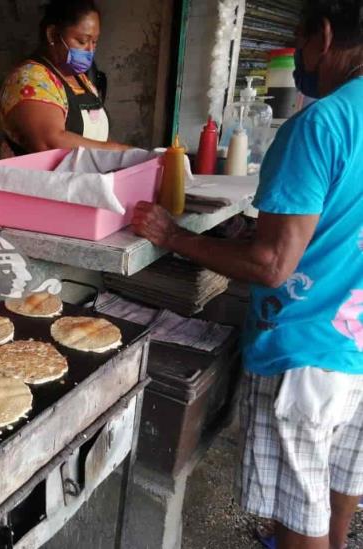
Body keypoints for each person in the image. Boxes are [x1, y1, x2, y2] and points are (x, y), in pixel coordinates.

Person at [132, 2, 363, 547]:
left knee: (297, 513)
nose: (301, 60)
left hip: (306, 352)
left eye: (299, 43)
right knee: (339, 476)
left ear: (323, 36)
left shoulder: (321, 124)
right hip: (357, 341)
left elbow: (272, 266)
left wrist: (172, 236)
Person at [0, 0, 129, 157]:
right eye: (82, 41)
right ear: (52, 34)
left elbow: (96, 140)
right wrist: (116, 151)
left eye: (94, 42)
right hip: (41, 180)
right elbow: (49, 143)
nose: (90, 50)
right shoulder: (30, 79)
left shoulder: (81, 80)